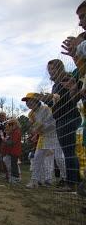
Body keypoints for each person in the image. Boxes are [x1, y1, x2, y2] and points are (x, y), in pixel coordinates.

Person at [40, 59, 81, 190]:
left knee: (69, 151)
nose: (50, 72)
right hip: (60, 119)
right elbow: (55, 105)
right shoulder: (55, 86)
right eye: (49, 70)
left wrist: (52, 99)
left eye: (52, 69)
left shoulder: (67, 79)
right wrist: (47, 100)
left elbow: (71, 99)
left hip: (70, 117)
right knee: (68, 151)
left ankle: (71, 183)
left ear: (60, 68)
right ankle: (76, 182)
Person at [22, 93, 65, 188]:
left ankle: (66, 179)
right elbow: (34, 126)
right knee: (37, 158)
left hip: (54, 135)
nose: (27, 103)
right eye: (26, 102)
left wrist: (38, 128)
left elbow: (53, 122)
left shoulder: (46, 109)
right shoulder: (31, 114)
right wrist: (34, 131)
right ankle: (34, 181)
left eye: (29, 101)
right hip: (43, 137)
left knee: (59, 158)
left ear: (36, 101)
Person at [0, 118, 22, 184]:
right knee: (12, 164)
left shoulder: (16, 132)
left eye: (10, 124)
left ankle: (16, 178)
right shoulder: (14, 132)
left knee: (14, 165)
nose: (9, 126)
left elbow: (12, 142)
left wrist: (4, 140)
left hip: (15, 151)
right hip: (12, 151)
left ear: (15, 124)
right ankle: (13, 177)